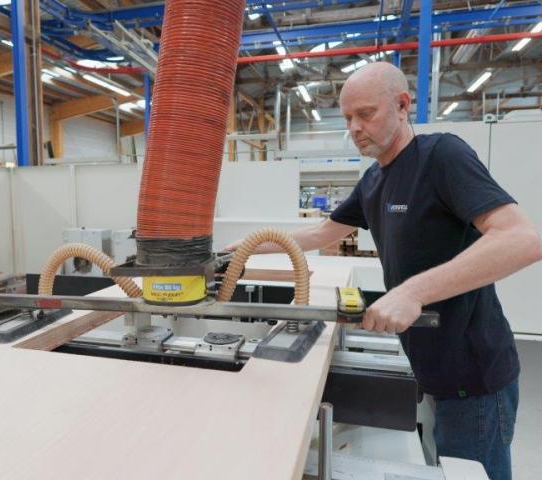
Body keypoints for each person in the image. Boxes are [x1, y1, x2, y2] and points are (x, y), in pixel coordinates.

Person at [224, 62, 542, 479]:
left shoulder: (441, 156)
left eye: (366, 114)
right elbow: (321, 232)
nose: (355, 128)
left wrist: (412, 292)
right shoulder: (374, 180)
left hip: (474, 380)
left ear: (403, 105)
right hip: (430, 369)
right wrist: (243, 249)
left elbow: (522, 239)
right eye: (347, 118)